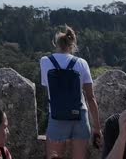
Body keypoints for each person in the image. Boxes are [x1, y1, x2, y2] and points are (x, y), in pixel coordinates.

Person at [40, 26, 104, 159]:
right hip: (79, 116)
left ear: (56, 44)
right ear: (72, 45)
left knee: (53, 157)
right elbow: (90, 98)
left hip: (57, 115)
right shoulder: (81, 63)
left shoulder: (45, 61)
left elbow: (48, 88)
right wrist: (97, 128)